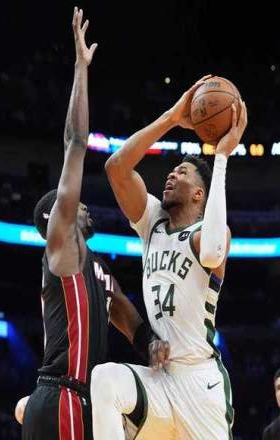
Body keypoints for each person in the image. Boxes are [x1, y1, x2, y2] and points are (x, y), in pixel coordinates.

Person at [21, 8, 155, 439]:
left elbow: (122, 311)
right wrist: (81, 68)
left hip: (84, 401)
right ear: (55, 219)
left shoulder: (95, 266)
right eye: (74, 205)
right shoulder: (61, 245)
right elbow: (76, 143)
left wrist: (150, 343)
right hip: (62, 394)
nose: (84, 207)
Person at [91, 76, 248, 439]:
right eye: (172, 170)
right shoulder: (152, 222)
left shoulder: (209, 234)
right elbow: (116, 169)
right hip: (161, 379)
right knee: (105, 379)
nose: (171, 175)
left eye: (182, 173)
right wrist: (172, 118)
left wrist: (221, 157)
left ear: (199, 195)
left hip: (201, 383)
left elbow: (213, 251)